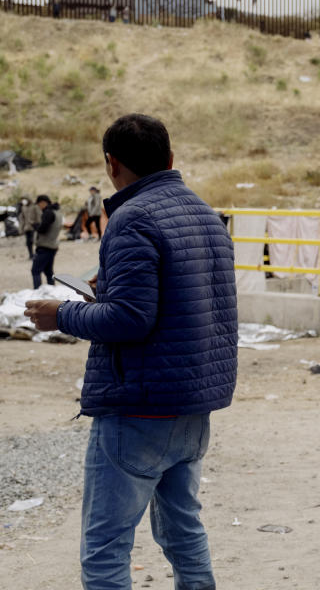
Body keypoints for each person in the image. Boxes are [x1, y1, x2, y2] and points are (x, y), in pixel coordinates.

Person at [24, 114, 238, 590]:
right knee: (184, 533)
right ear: (170, 159)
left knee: (105, 550)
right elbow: (185, 303)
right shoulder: (206, 214)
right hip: (192, 405)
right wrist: (114, 288)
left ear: (111, 165)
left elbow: (129, 319)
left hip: (139, 408)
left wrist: (59, 314)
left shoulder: (131, 216)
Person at [31, 194, 62, 289]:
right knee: (48, 272)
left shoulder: (48, 212)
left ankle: (38, 292)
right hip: (52, 245)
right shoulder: (57, 212)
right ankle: (52, 291)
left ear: (43, 202)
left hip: (45, 246)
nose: (39, 207)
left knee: (35, 270)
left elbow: (43, 229)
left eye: (39, 205)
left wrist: (36, 226)